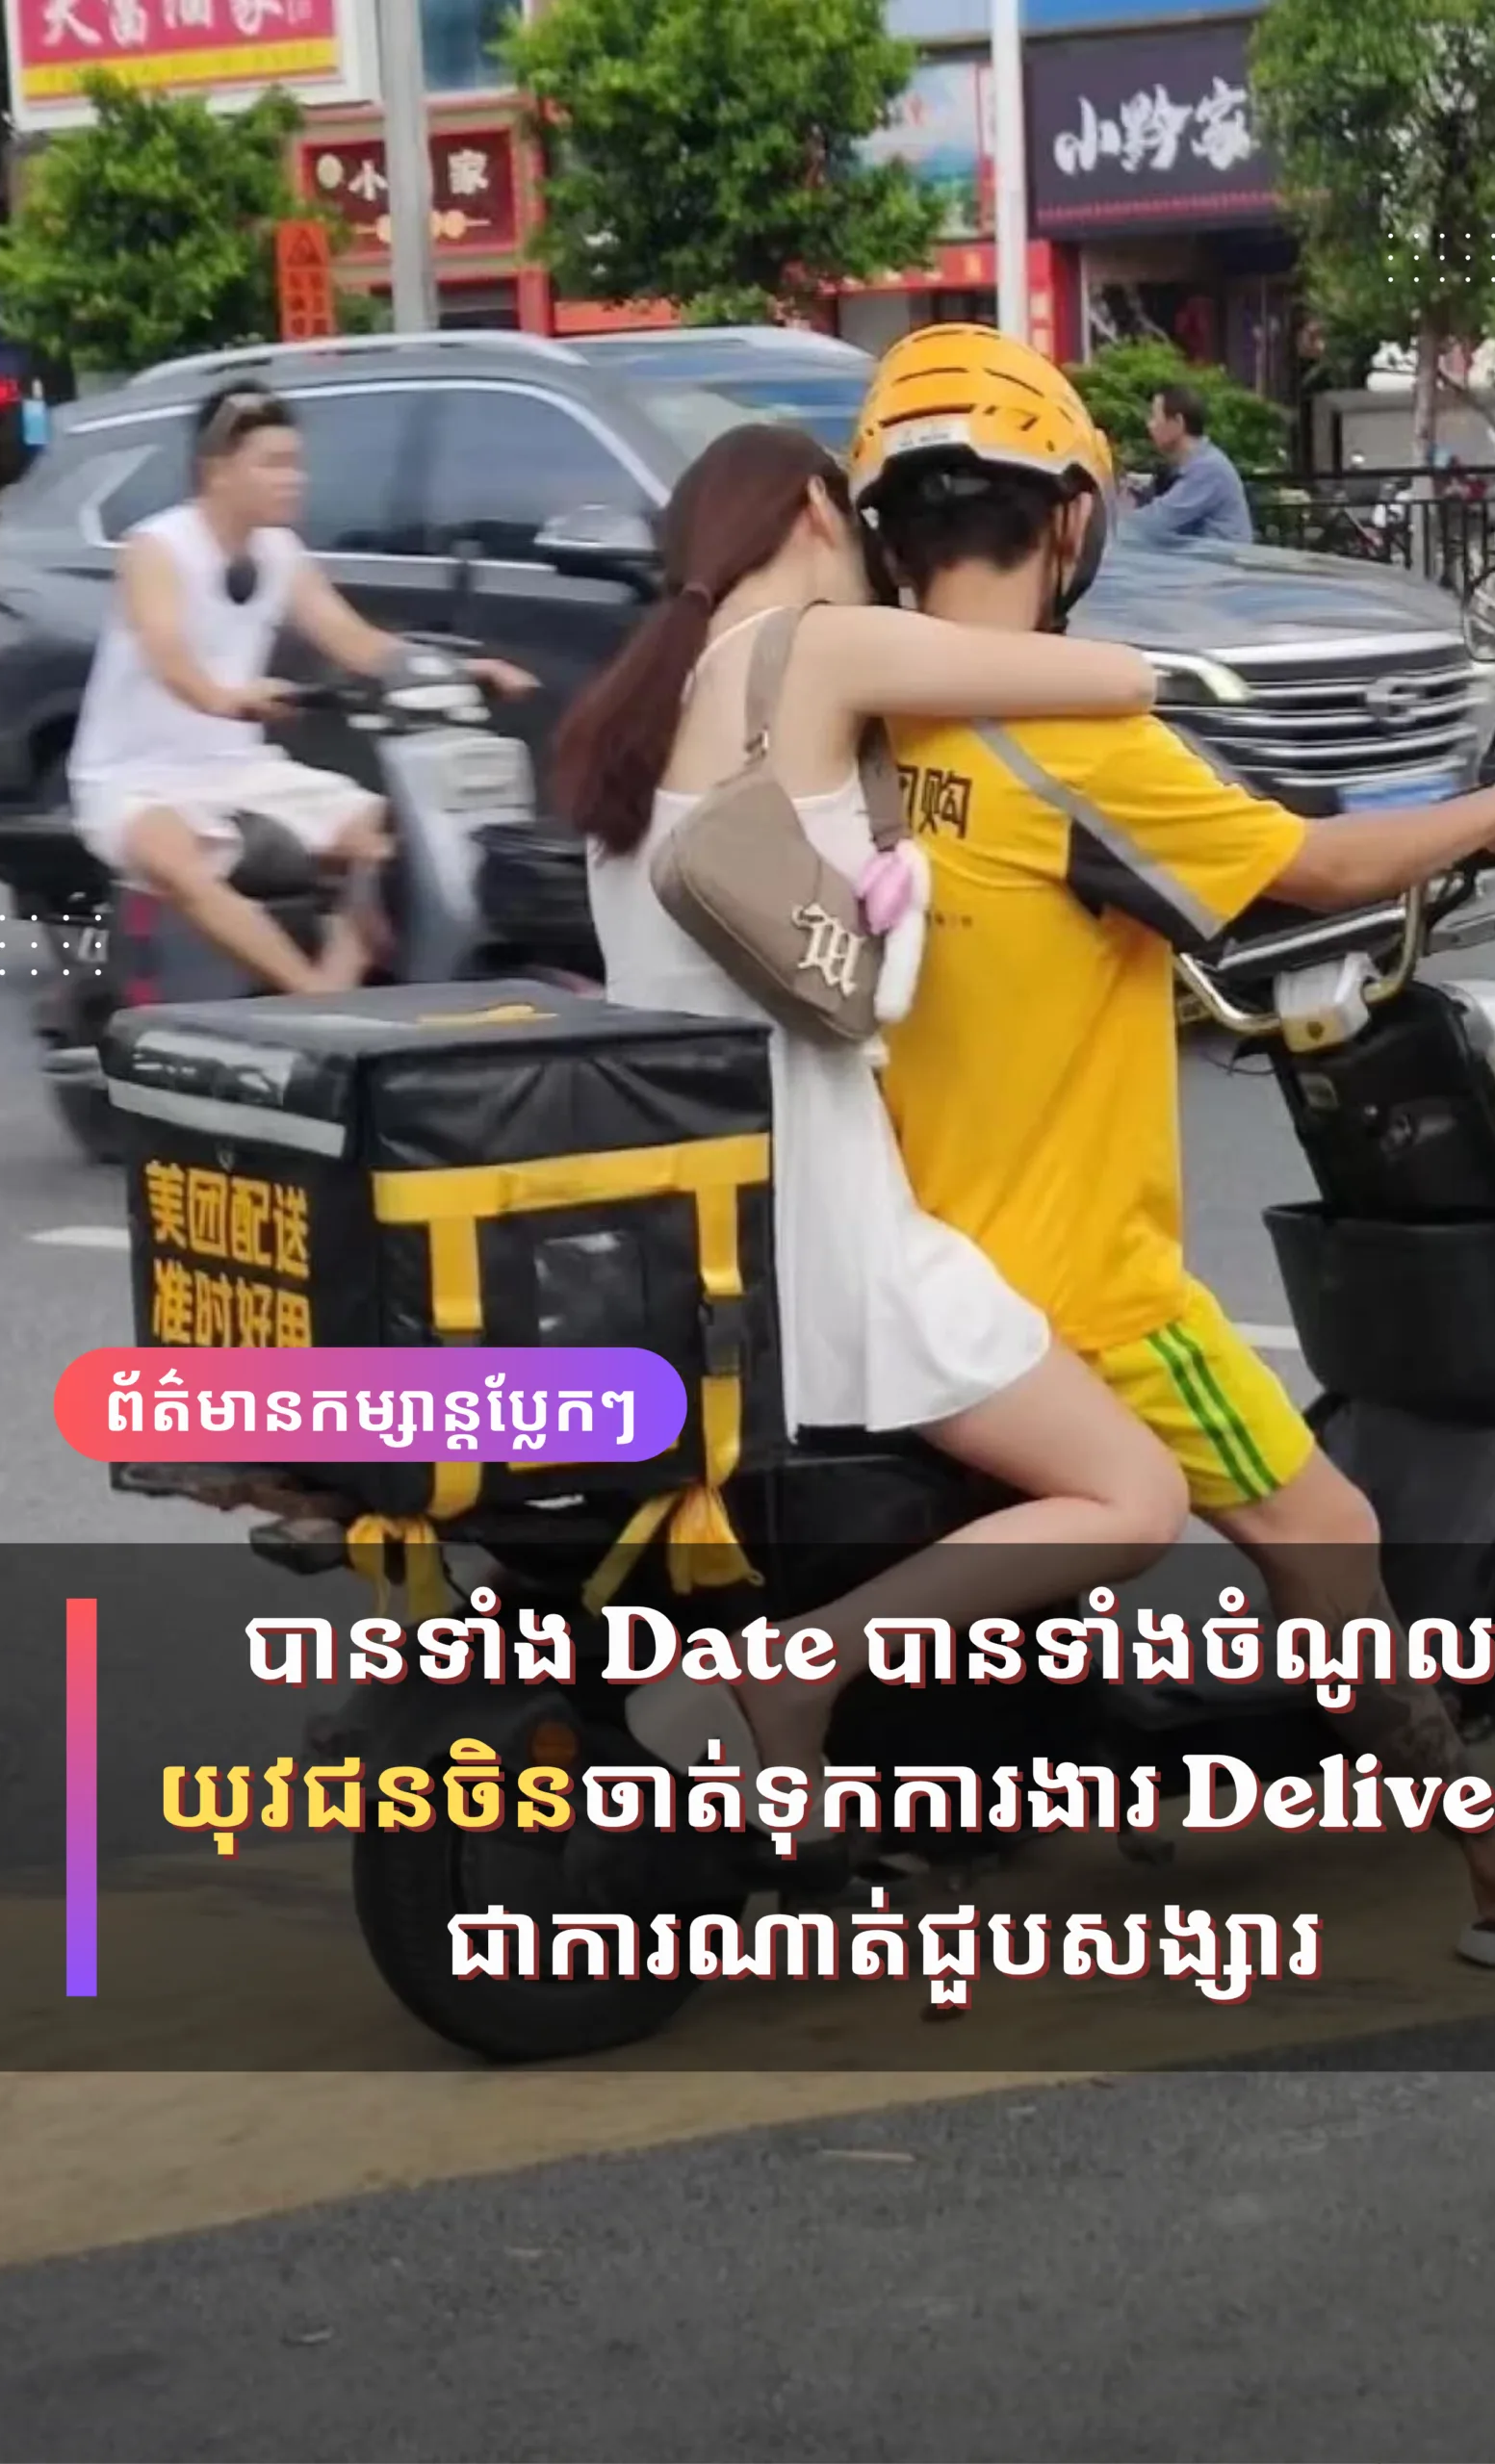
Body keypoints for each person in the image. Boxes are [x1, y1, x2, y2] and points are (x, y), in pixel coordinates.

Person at [844, 321, 1495, 1981]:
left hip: (915, 1253)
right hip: (1082, 1291)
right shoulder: (1064, 738)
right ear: (1070, 519)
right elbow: (1310, 870)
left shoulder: (880, 730)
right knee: (1327, 1534)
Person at [560, 421, 1194, 1797]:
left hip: (690, 1217)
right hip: (832, 1221)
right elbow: (1116, 675)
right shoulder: (817, 651)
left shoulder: (641, 700)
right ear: (809, 508)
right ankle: (804, 1668)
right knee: (1134, 1495)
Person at [67, 382, 530, 997]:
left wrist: (463, 670)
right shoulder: (157, 548)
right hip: (132, 778)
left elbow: (356, 642)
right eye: (273, 464)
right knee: (176, 859)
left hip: (239, 768)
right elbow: (167, 655)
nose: (295, 479)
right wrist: (224, 699)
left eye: (296, 464)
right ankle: (314, 998)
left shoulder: (280, 552)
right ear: (217, 471)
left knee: (395, 838)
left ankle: (342, 987)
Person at [1126, 383, 1254, 548]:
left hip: (1218, 562)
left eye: (1154, 417)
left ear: (1178, 423)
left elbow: (1156, 522)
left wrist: (1110, 523)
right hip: (1202, 560)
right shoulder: (1194, 464)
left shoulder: (1209, 469)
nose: (1149, 425)